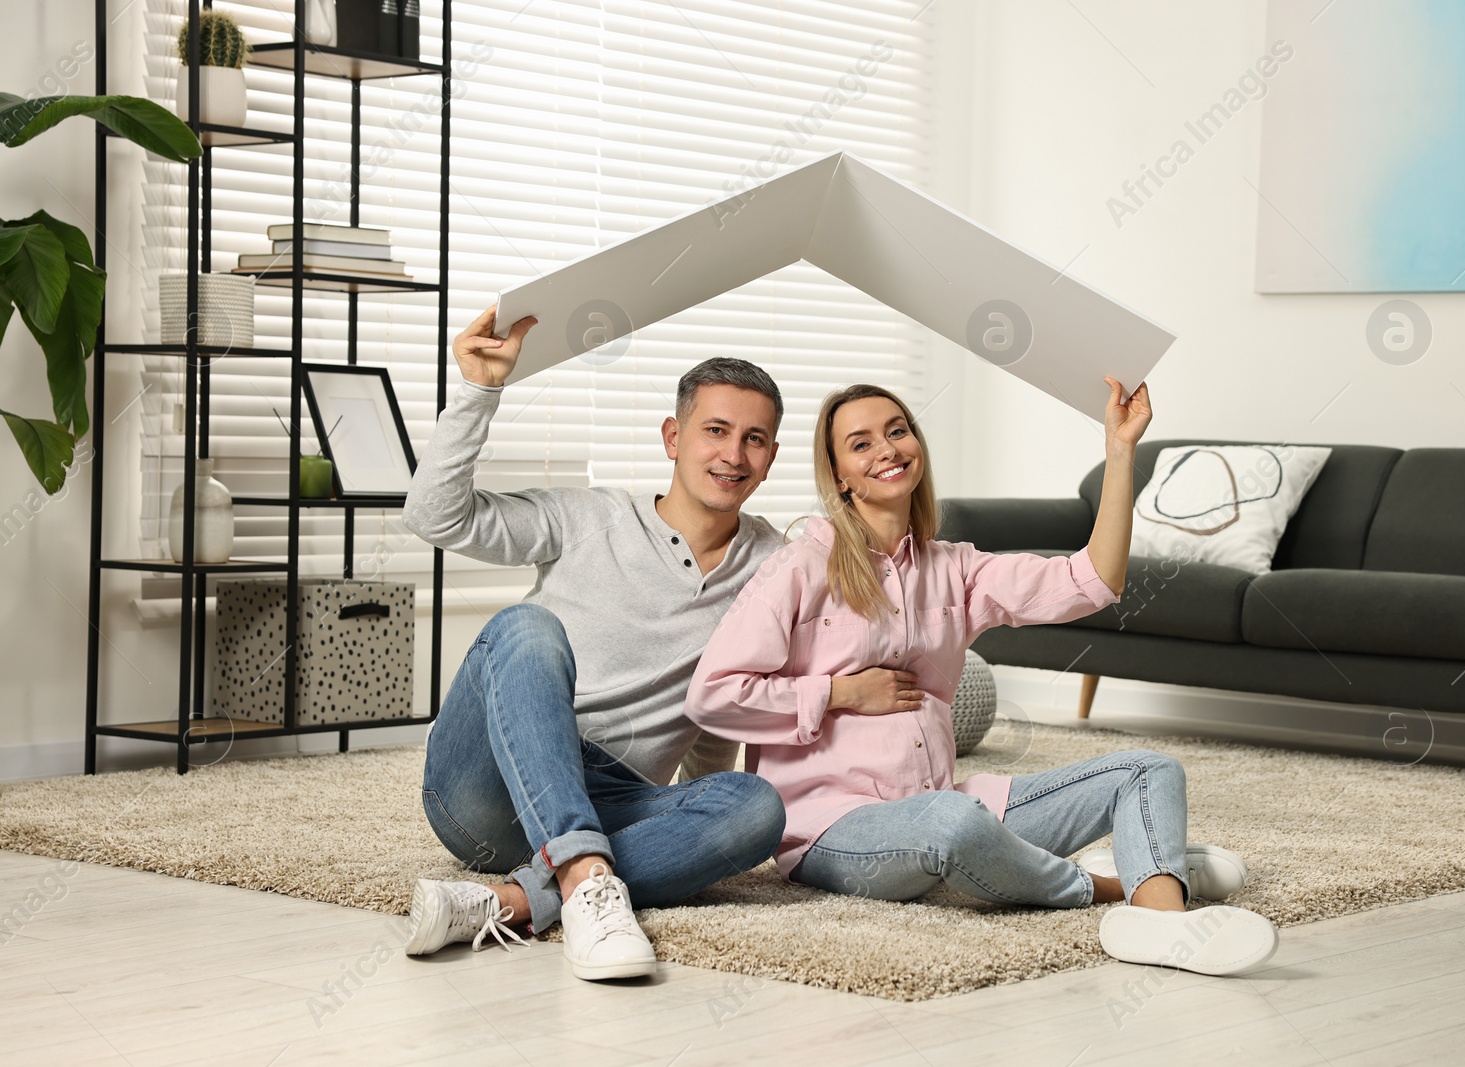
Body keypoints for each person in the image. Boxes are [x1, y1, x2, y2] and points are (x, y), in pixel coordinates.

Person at [684, 380, 1279, 976]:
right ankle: (1112, 883)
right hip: (830, 829)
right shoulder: (800, 567)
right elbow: (712, 696)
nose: (887, 449)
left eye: (897, 431)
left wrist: (1120, 449)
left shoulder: (955, 568)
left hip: (939, 801)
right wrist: (841, 692)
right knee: (954, 825)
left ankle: (1162, 919)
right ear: (839, 475)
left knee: (1147, 772)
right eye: (860, 444)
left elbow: (1094, 580)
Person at [399, 306, 789, 981]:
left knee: (757, 805)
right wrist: (478, 390)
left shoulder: (775, 566)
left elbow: (723, 697)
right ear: (674, 436)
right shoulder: (587, 515)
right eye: (715, 430)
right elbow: (434, 515)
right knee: (526, 627)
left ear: (772, 458)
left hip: (616, 794)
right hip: (487, 788)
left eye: (754, 439)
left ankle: (518, 898)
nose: (733, 453)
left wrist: (706, 815)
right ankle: (582, 874)